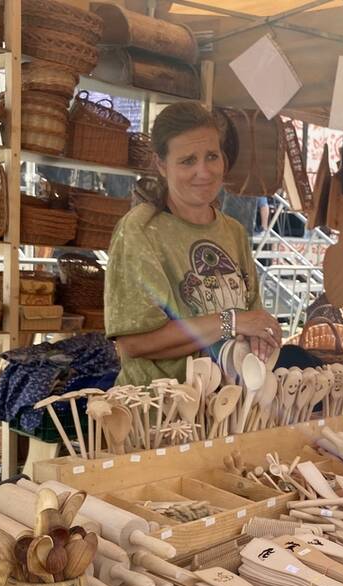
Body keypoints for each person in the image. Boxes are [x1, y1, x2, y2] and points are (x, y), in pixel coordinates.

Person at [105, 101, 280, 386]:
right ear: (162, 165)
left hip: (227, 405)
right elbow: (133, 343)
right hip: (157, 408)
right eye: (188, 161)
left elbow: (250, 319)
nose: (204, 171)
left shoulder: (233, 232)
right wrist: (230, 322)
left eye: (212, 156)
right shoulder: (141, 230)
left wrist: (261, 334)